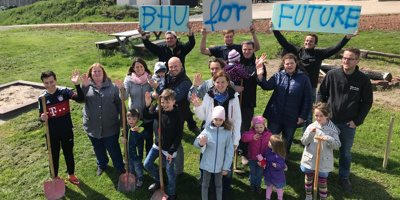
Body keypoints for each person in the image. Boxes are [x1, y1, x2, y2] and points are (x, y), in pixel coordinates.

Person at [269, 21, 359, 133]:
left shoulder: (319, 54)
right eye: (307, 40)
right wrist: (275, 30)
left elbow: (334, 48)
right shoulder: (298, 52)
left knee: (309, 113)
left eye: (311, 41)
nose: (308, 42)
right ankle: (289, 130)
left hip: (310, 88)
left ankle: (306, 135)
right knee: (293, 110)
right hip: (295, 87)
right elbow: (284, 43)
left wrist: (347, 38)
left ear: (315, 44)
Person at [317, 47, 373, 191]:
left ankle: (344, 176)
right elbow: (321, 93)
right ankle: (323, 174)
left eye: (350, 58)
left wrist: (357, 121)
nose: (346, 61)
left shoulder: (363, 80)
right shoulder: (332, 75)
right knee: (323, 149)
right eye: (344, 58)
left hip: (348, 124)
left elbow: (367, 102)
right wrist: (321, 114)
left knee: (345, 153)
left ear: (357, 60)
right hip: (329, 122)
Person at [191, 70, 242, 200]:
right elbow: (203, 117)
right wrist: (197, 107)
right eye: (217, 82)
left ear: (228, 83)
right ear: (213, 82)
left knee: (226, 166)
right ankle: (214, 191)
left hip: (226, 136)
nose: (220, 85)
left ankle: (225, 191)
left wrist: (235, 139)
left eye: (223, 82)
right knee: (210, 165)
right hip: (211, 135)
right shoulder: (209, 96)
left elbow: (237, 120)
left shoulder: (233, 97)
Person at [148, 57, 200, 179]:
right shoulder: (169, 77)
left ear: (181, 65)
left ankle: (179, 170)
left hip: (178, 115)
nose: (173, 69)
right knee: (163, 138)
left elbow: (174, 96)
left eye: (175, 66)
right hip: (165, 113)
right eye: (170, 67)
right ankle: (165, 164)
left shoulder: (185, 81)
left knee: (177, 143)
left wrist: (158, 89)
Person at [256, 53, 312, 155]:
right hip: (275, 115)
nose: (289, 65)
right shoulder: (278, 76)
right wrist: (260, 75)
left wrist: (303, 116)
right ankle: (269, 159)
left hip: (292, 116)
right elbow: (267, 86)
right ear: (284, 64)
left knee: (287, 140)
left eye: (291, 63)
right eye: (287, 64)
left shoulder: (304, 79)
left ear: (296, 63)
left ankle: (282, 161)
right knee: (272, 139)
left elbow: (308, 99)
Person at [38, 70, 83, 185]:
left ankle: (71, 174)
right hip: (52, 133)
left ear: (56, 80)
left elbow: (81, 99)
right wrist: (42, 118)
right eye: (46, 83)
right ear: (43, 84)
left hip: (66, 130)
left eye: (51, 82)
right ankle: (54, 176)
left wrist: (77, 84)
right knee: (53, 156)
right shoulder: (42, 98)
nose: (50, 85)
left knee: (68, 153)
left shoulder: (64, 92)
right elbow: (40, 116)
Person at [80, 63, 125, 176]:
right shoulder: (86, 86)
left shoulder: (112, 87)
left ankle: (119, 166)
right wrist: (84, 87)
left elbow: (120, 104)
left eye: (99, 71)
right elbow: (80, 100)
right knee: (98, 148)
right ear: (90, 73)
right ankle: (102, 164)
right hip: (92, 126)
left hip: (110, 125)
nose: (97, 73)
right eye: (94, 71)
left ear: (103, 73)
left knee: (113, 147)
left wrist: (122, 120)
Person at [143, 89, 183, 200]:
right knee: (147, 164)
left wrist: (171, 151)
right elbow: (147, 115)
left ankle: (171, 193)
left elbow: (179, 135)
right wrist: (147, 105)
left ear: (173, 102)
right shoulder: (160, 111)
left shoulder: (177, 115)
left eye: (167, 102)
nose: (164, 105)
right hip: (158, 144)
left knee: (170, 173)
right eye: (163, 102)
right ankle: (159, 179)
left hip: (170, 149)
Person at [300, 102, 341, 200]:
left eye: (321, 116)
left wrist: (329, 139)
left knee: (322, 181)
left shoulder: (332, 130)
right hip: (310, 159)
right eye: (316, 115)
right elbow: (304, 142)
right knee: (309, 179)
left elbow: (337, 145)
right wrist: (311, 135)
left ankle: (323, 198)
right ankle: (309, 195)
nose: (318, 118)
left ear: (327, 115)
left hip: (323, 161)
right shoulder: (311, 127)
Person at [237, 40, 268, 166]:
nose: (246, 52)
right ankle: (232, 148)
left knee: (244, 128)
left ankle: (243, 152)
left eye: (249, 49)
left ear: (253, 50)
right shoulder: (237, 61)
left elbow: (261, 82)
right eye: (244, 49)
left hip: (248, 101)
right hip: (235, 100)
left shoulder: (257, 64)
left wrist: (259, 73)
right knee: (233, 126)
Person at [193, 106, 234, 200]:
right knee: (205, 185)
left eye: (220, 120)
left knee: (219, 185)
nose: (218, 122)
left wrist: (226, 167)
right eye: (216, 119)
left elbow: (229, 151)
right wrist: (200, 143)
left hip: (220, 167)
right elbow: (195, 143)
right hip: (207, 165)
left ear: (224, 120)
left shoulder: (227, 133)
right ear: (212, 119)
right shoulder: (207, 131)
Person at [123, 57, 154, 156]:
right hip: (134, 116)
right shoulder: (128, 79)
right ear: (133, 68)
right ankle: (135, 161)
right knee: (134, 139)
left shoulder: (151, 78)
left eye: (141, 66)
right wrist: (121, 89)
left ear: (144, 67)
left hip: (148, 114)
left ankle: (148, 161)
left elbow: (156, 94)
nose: (139, 69)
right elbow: (124, 97)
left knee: (148, 138)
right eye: (137, 67)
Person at [241, 116, 272, 194]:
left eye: (261, 127)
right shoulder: (251, 133)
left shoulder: (268, 134)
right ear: (253, 127)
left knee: (259, 173)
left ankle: (258, 185)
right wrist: (252, 137)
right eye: (256, 127)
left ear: (264, 126)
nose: (259, 129)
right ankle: (252, 184)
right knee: (252, 172)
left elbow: (273, 142)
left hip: (262, 159)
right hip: (252, 157)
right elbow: (243, 138)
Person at [120, 109, 149, 188]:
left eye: (133, 119)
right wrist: (122, 138)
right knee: (130, 166)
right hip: (128, 152)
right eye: (129, 119)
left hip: (136, 153)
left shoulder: (140, 127)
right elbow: (123, 135)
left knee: (137, 166)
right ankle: (131, 177)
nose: (131, 121)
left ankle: (140, 178)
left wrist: (140, 130)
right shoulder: (127, 127)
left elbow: (147, 136)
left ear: (138, 119)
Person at [262, 135, 287, 200]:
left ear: (275, 146)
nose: (268, 142)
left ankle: (280, 198)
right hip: (269, 174)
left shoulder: (279, 155)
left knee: (278, 188)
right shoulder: (268, 150)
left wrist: (277, 165)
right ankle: (267, 198)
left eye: (270, 142)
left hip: (277, 176)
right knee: (269, 187)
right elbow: (266, 158)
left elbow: (283, 165)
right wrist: (263, 161)